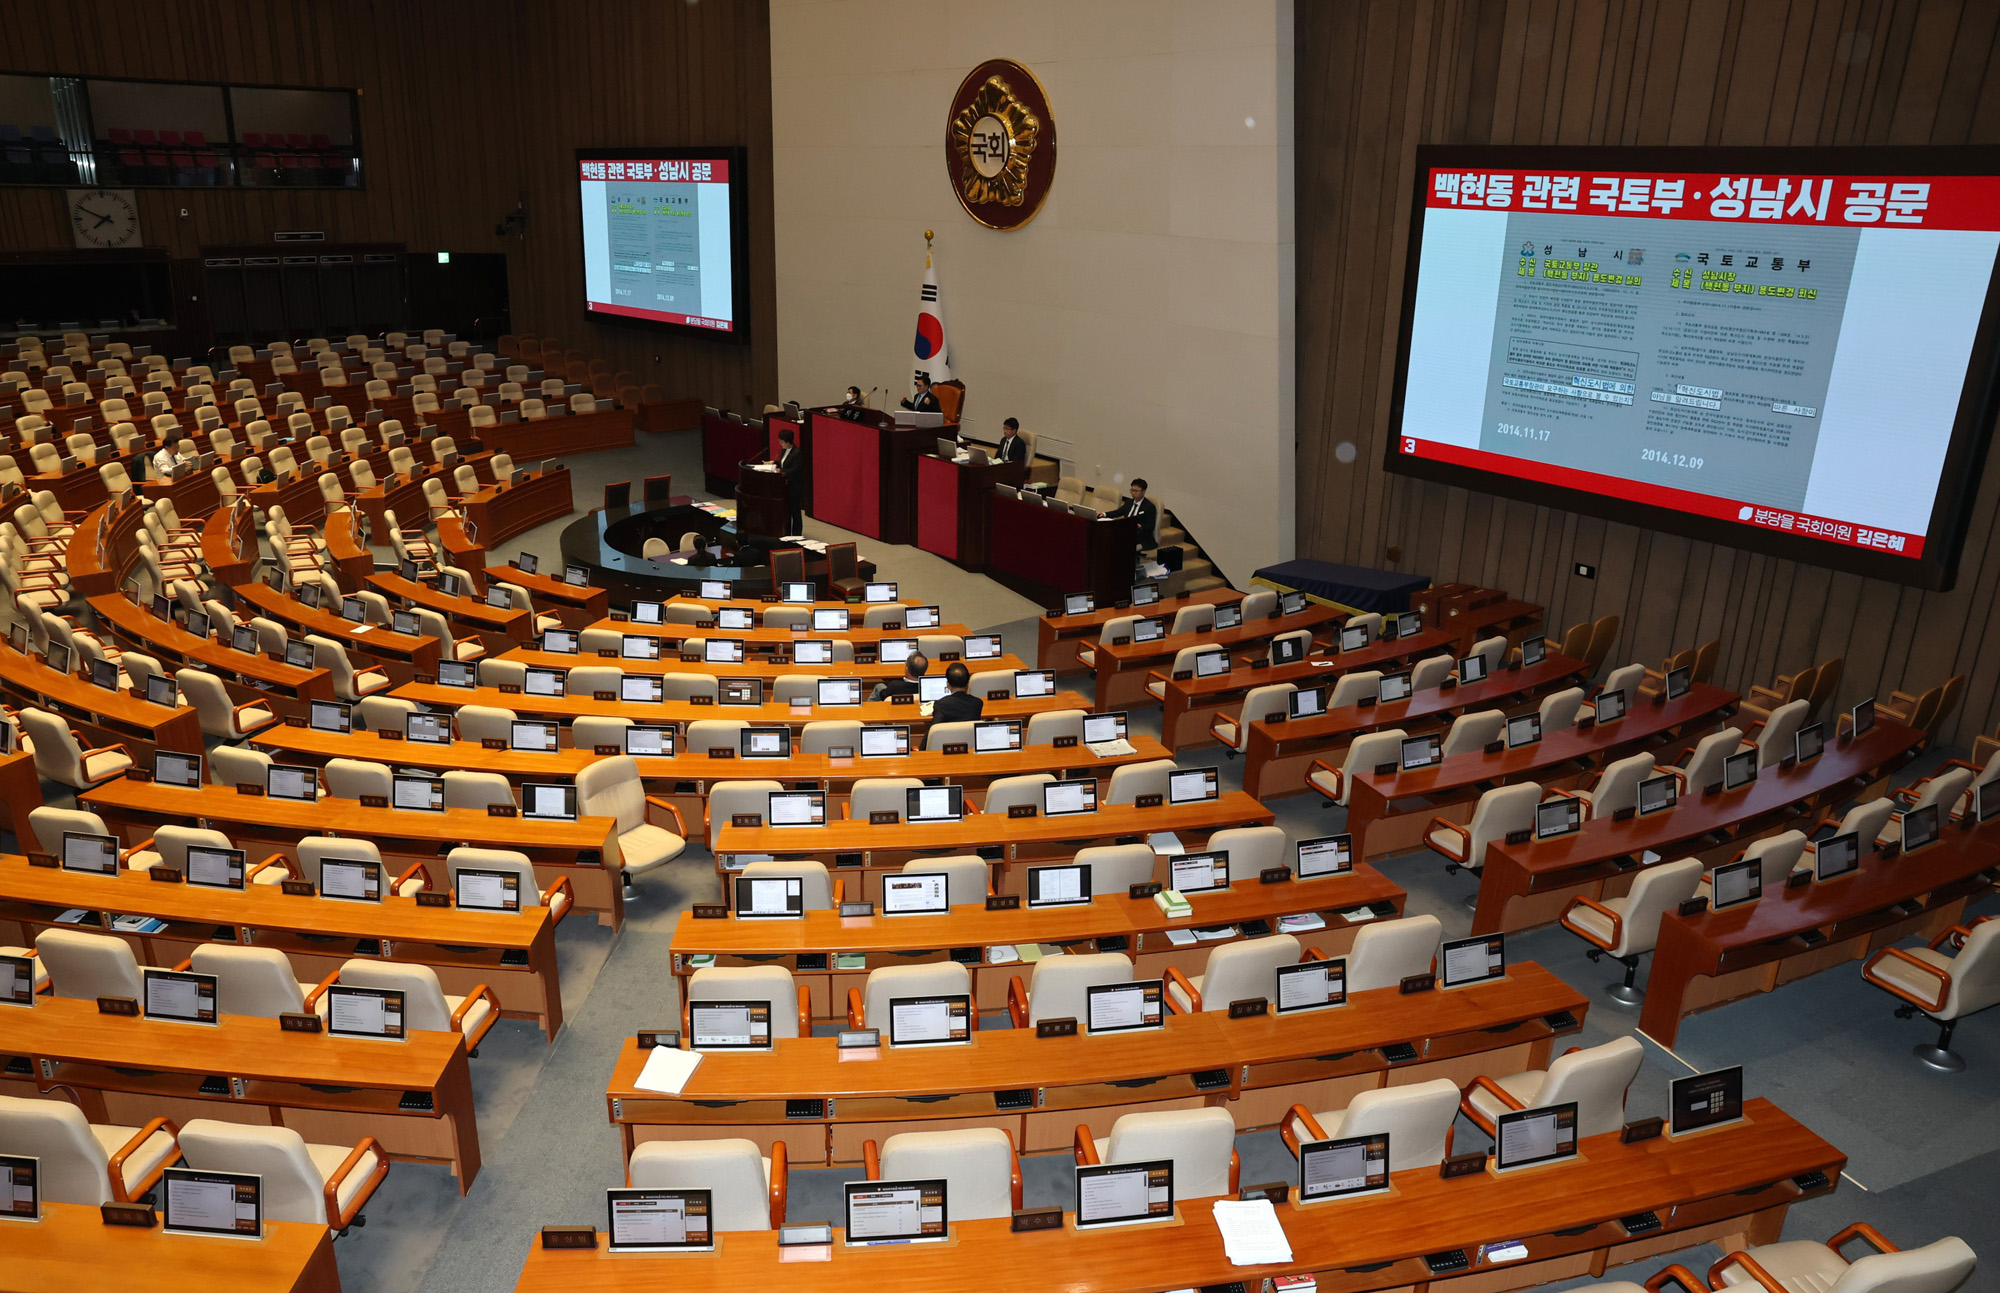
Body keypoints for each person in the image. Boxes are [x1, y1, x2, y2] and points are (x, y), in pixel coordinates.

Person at [1104, 478, 1158, 550]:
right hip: (1126, 531)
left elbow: (1150, 526)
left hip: (1141, 536)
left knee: (1119, 541)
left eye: (1136, 491)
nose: (1133, 493)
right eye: (1132, 490)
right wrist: (1104, 514)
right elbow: (1117, 512)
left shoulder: (1149, 507)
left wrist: (1139, 525)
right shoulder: (1129, 502)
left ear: (1143, 491)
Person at [776, 426, 806, 536]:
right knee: (787, 511)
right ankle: (787, 532)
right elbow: (784, 463)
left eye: (781, 441)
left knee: (795, 511)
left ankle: (797, 534)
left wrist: (781, 470)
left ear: (788, 442)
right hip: (785, 487)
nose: (780, 443)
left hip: (795, 487)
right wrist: (774, 463)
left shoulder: (797, 453)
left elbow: (794, 470)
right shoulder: (784, 451)